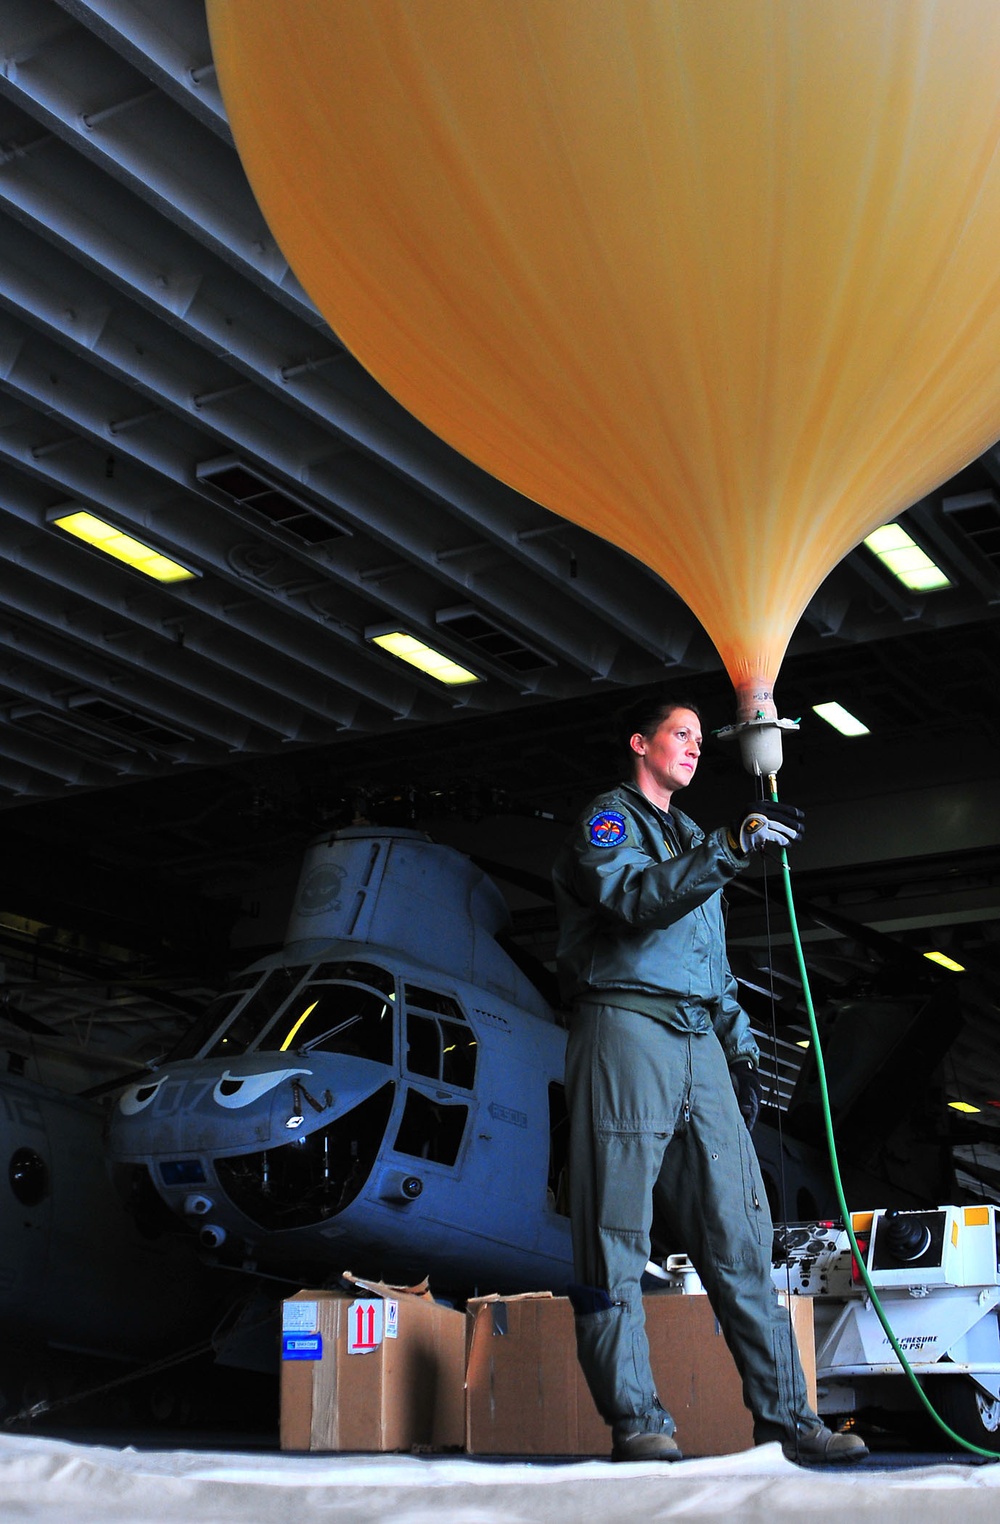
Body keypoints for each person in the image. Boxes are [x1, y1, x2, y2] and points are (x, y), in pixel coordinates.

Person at [551, 690, 868, 1465]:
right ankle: (638, 1421)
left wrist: (743, 1051)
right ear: (640, 744)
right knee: (615, 1236)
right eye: (680, 735)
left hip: (699, 1042)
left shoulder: (692, 834)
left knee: (742, 1240)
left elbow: (712, 965)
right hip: (626, 1027)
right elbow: (633, 902)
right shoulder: (611, 822)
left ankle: (791, 1423)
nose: (695, 747)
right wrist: (731, 845)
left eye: (699, 738)